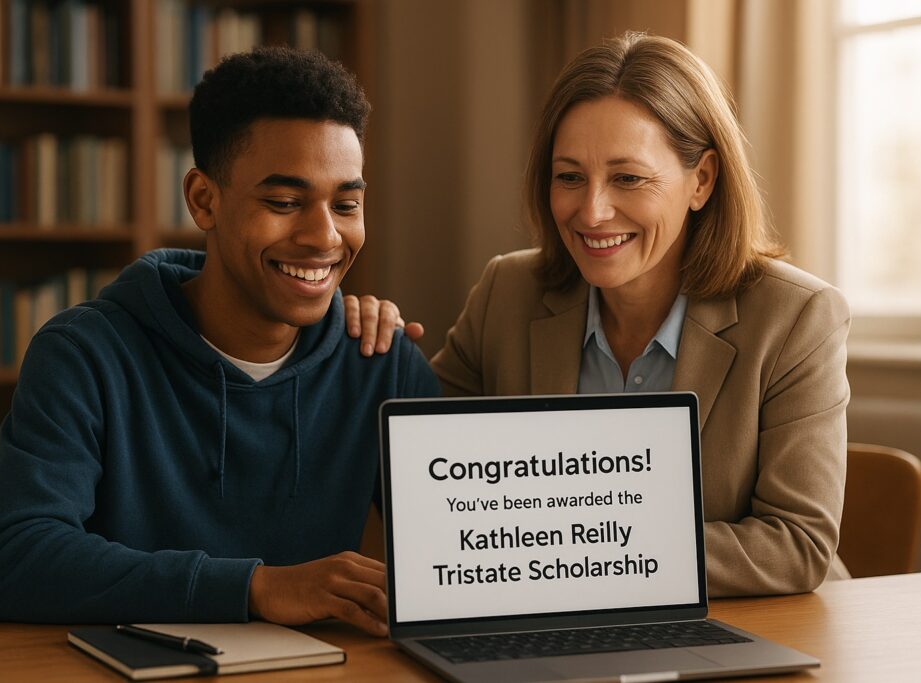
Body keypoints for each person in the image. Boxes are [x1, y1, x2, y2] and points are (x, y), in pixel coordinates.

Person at [346, 32, 850, 596]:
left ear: (702, 180)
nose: (592, 212)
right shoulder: (506, 292)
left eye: (628, 178)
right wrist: (364, 346)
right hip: (554, 620)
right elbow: (422, 482)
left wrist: (575, 551)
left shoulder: (797, 316)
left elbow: (796, 545)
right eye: (569, 177)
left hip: (753, 625)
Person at [0, 47, 439, 633]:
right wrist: (256, 588)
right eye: (284, 202)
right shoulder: (85, 354)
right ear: (203, 200)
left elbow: (459, 561)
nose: (324, 236)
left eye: (346, 204)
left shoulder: (382, 363)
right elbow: (11, 560)